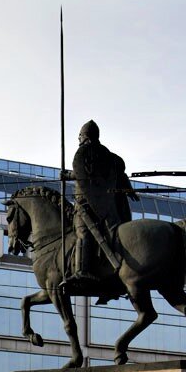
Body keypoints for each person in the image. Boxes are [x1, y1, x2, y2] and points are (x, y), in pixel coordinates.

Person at [62, 120, 137, 284]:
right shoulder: (108, 155)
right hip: (107, 206)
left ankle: (82, 270)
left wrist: (67, 176)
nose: (79, 139)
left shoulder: (88, 153)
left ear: (85, 136)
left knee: (82, 233)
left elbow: (87, 175)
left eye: (80, 136)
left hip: (87, 204)